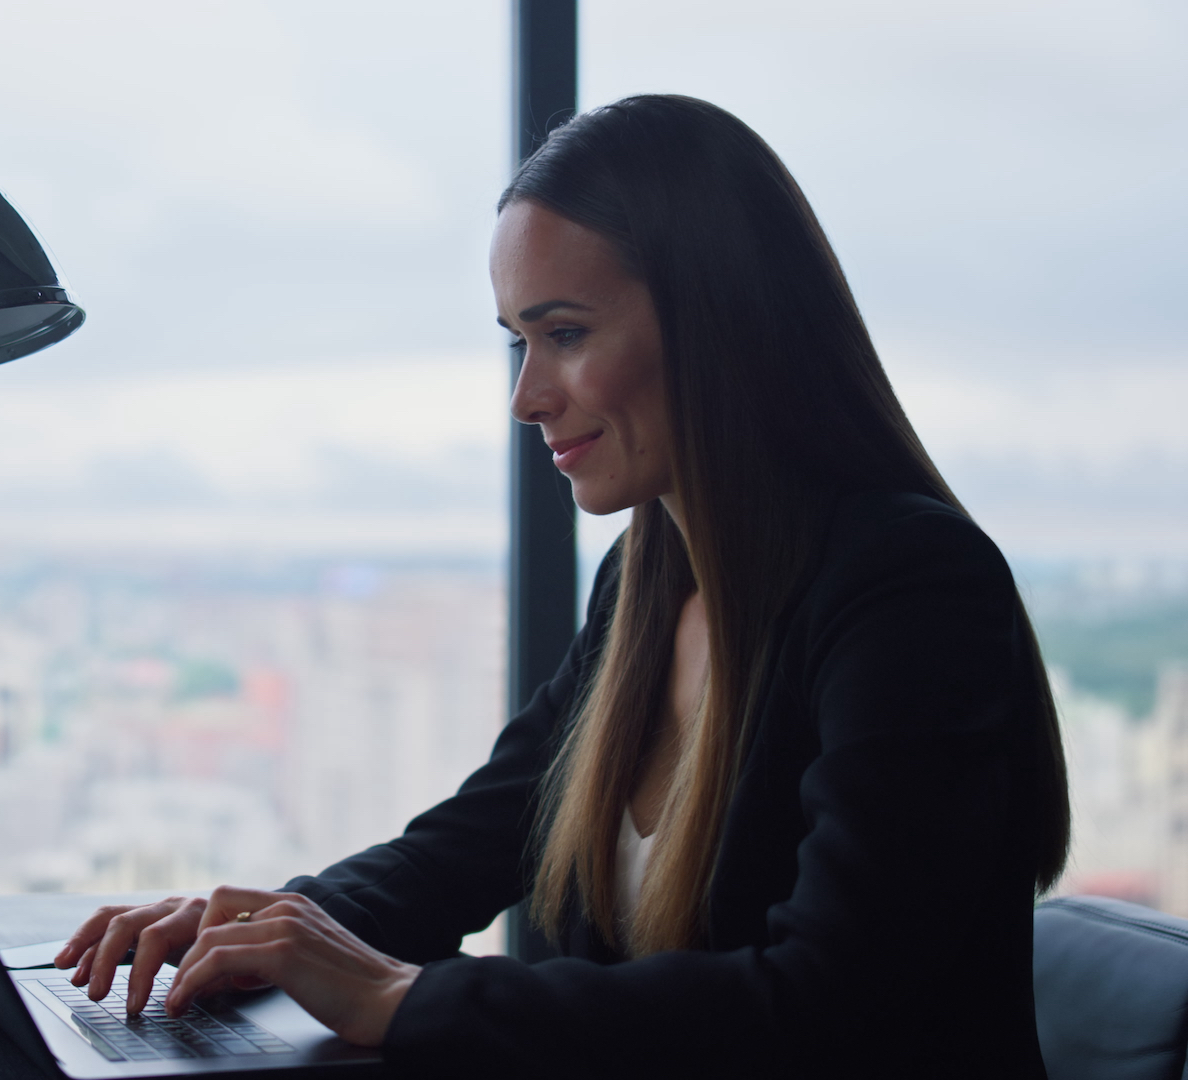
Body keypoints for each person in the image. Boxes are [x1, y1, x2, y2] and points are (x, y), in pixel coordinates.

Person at [54, 95, 1071, 1078]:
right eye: (518, 340)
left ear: (720, 323)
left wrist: (399, 998)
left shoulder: (909, 591)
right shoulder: (645, 580)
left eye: (567, 334)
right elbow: (472, 844)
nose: (526, 397)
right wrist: (268, 927)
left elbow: (830, 1001)